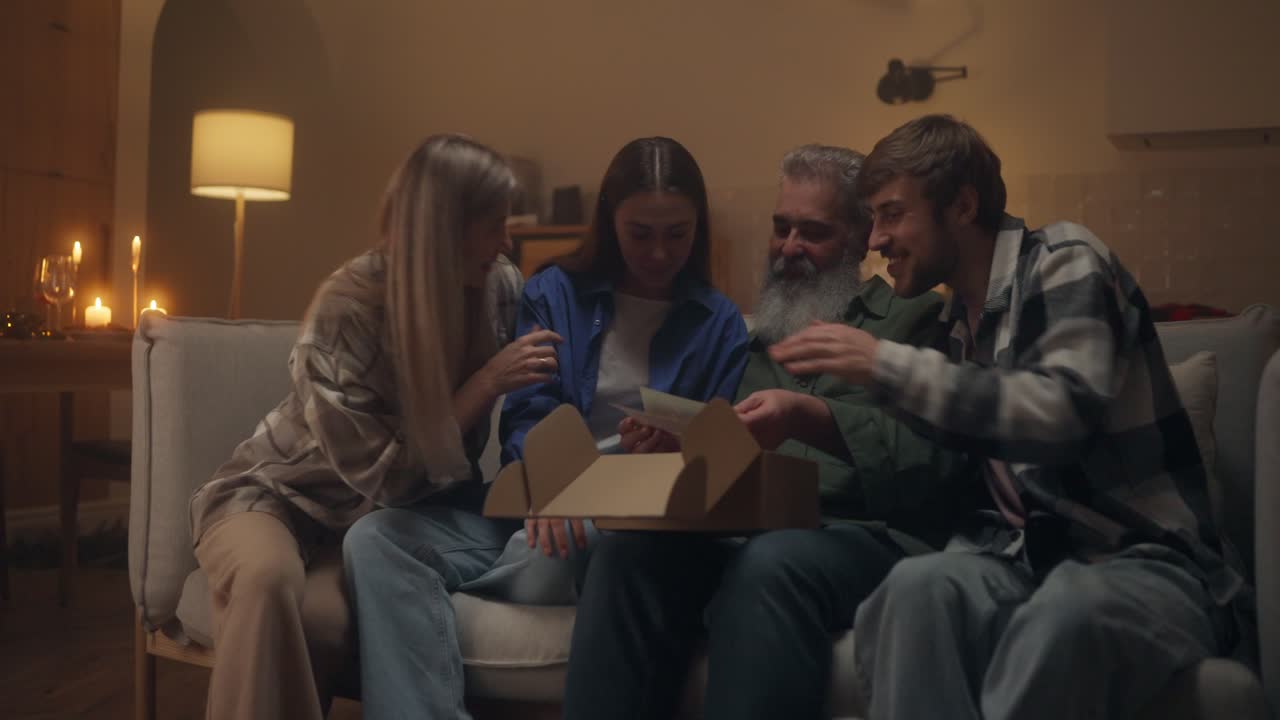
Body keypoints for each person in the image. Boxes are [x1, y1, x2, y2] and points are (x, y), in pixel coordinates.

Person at [770, 114, 1249, 720]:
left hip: (1138, 556)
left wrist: (888, 365)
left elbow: (1061, 413)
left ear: (963, 205)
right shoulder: (952, 329)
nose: (874, 241)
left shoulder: (1064, 259)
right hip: (1013, 559)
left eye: (891, 214)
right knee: (912, 592)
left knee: (1069, 611)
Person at [560, 145, 973, 720]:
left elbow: (937, 461)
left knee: (772, 562)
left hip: (866, 535)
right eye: (782, 227)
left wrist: (813, 418)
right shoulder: (753, 339)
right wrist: (682, 448)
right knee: (625, 553)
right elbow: (728, 458)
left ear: (859, 238)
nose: (789, 247)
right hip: (746, 530)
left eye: (814, 232)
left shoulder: (916, 321)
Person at [190, 134, 543, 720]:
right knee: (267, 579)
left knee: (323, 622)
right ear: (444, 229)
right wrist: (482, 385)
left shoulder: (498, 286)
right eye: (493, 225)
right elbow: (389, 479)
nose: (506, 241)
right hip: (277, 496)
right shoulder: (347, 307)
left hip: (363, 525)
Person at [500, 136, 750, 561]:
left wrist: (670, 447)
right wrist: (548, 482)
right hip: (555, 493)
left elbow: (722, 453)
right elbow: (528, 413)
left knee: (596, 546)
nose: (658, 253)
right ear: (609, 221)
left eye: (677, 234)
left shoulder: (720, 324)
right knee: (379, 538)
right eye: (639, 234)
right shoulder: (553, 294)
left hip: (650, 515)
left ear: (699, 226)